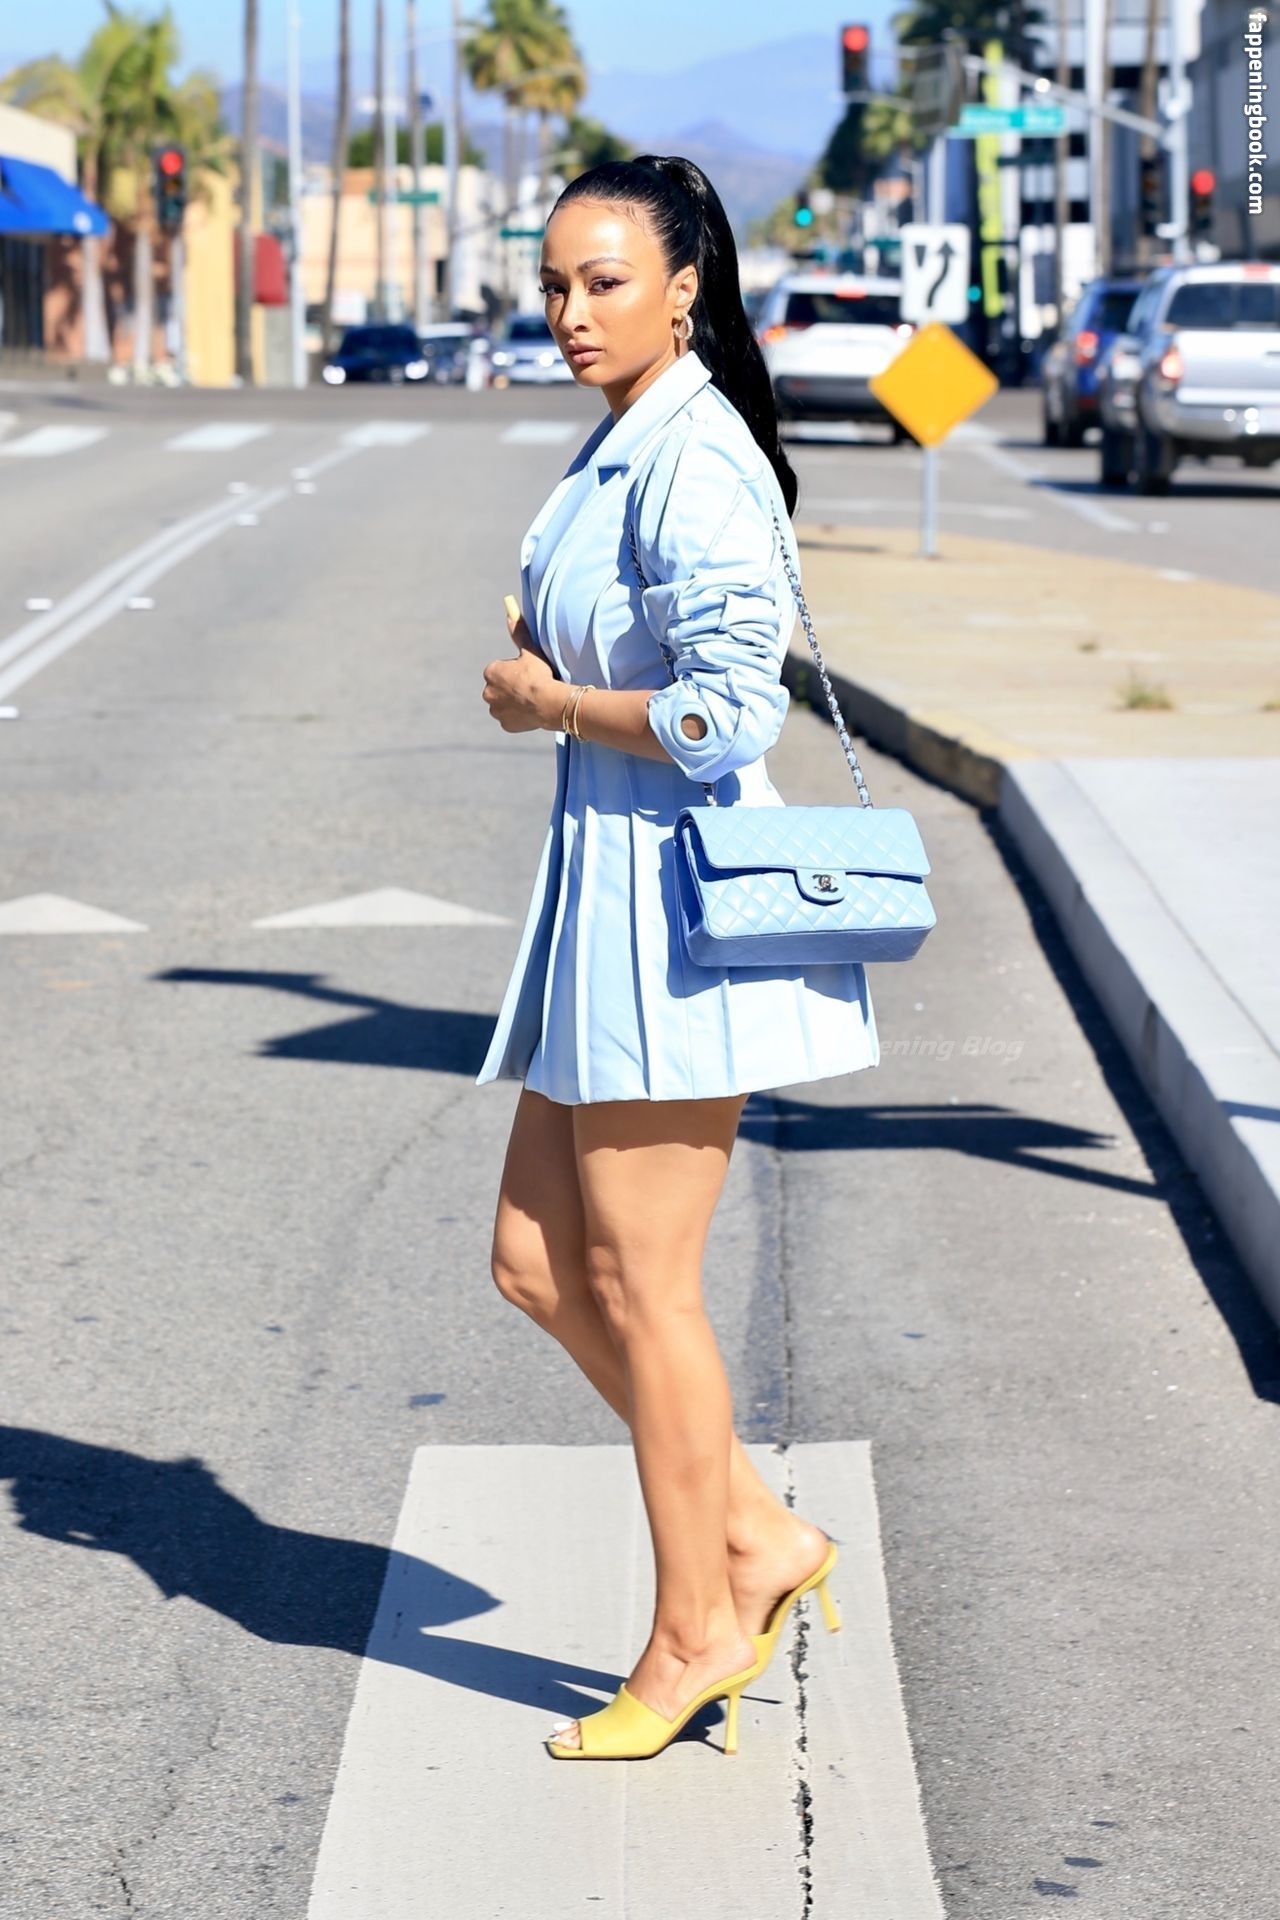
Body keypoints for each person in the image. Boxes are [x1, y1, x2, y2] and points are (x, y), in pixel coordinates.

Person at [476, 155, 880, 1761]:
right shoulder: (626, 431)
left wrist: (552, 701)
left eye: (604, 283)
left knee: (650, 1289)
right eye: (555, 285)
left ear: (686, 286)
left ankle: (699, 1626)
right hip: (604, 898)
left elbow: (729, 712)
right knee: (533, 1261)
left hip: (671, 914)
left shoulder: (696, 456)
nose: (571, 313)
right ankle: (760, 1537)